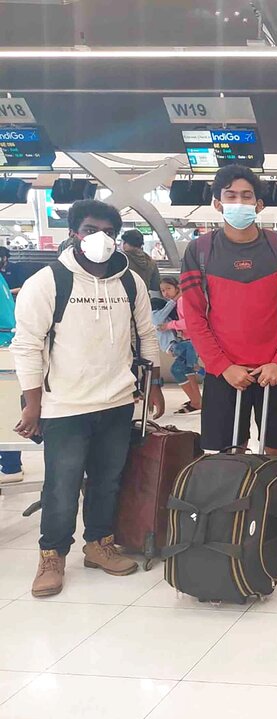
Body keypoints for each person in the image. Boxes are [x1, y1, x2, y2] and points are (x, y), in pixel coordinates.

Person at [11, 199, 165, 597]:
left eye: (109, 232)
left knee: (107, 481)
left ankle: (99, 543)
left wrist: (154, 385)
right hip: (64, 404)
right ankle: (52, 555)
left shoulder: (130, 282)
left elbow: (146, 335)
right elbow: (26, 345)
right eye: (91, 230)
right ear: (73, 234)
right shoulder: (48, 281)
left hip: (117, 400)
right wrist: (32, 403)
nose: (101, 239)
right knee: (61, 486)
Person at [179, 165, 277, 563]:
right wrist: (221, 366)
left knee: (276, 451)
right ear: (217, 203)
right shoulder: (200, 251)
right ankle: (229, 525)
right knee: (229, 452)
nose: (239, 202)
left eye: (246, 196)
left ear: (260, 203)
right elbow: (194, 316)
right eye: (230, 196)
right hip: (225, 374)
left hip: (274, 373)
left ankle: (276, 526)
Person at [156, 276, 204, 415]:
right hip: (190, 340)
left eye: (168, 288)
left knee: (178, 370)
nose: (166, 293)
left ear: (177, 287)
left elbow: (189, 322)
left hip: (191, 340)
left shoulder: (182, 301)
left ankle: (197, 402)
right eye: (163, 290)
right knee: (188, 369)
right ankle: (197, 400)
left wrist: (169, 325)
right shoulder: (180, 301)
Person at [0, 267, 22, 484]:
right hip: (8, 348)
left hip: (4, 347)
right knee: (6, 408)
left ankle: (11, 466)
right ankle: (11, 465)